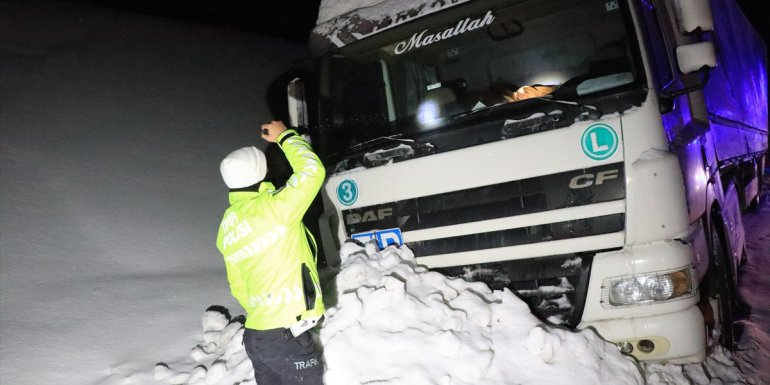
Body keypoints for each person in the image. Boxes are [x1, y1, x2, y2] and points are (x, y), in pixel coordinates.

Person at [216, 120, 326, 385]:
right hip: (286, 335)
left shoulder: (228, 226)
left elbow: (238, 286)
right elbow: (312, 171)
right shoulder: (275, 209)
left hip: (258, 336)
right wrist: (286, 137)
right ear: (261, 173)